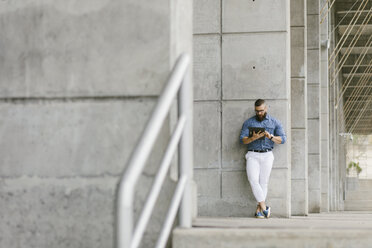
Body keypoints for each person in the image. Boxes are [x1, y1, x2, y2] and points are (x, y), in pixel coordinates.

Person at [239, 99, 286, 218]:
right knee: (253, 180)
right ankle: (265, 207)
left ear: (266, 109)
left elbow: (283, 139)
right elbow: (242, 140)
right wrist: (252, 138)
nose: (259, 113)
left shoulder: (274, 122)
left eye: (261, 111)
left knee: (263, 182)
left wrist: (270, 137)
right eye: (257, 111)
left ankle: (259, 210)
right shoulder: (249, 122)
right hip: (252, 155)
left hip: (267, 155)